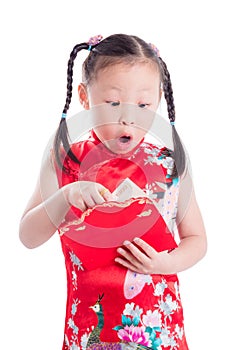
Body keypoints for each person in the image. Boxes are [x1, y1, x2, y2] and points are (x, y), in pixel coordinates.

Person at [19, 34, 207, 350]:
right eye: (113, 102)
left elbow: (197, 240)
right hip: (90, 326)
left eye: (144, 104)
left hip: (156, 326)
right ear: (84, 96)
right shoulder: (66, 158)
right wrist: (65, 196)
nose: (128, 117)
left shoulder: (169, 163)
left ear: (159, 100)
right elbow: (28, 235)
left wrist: (165, 264)